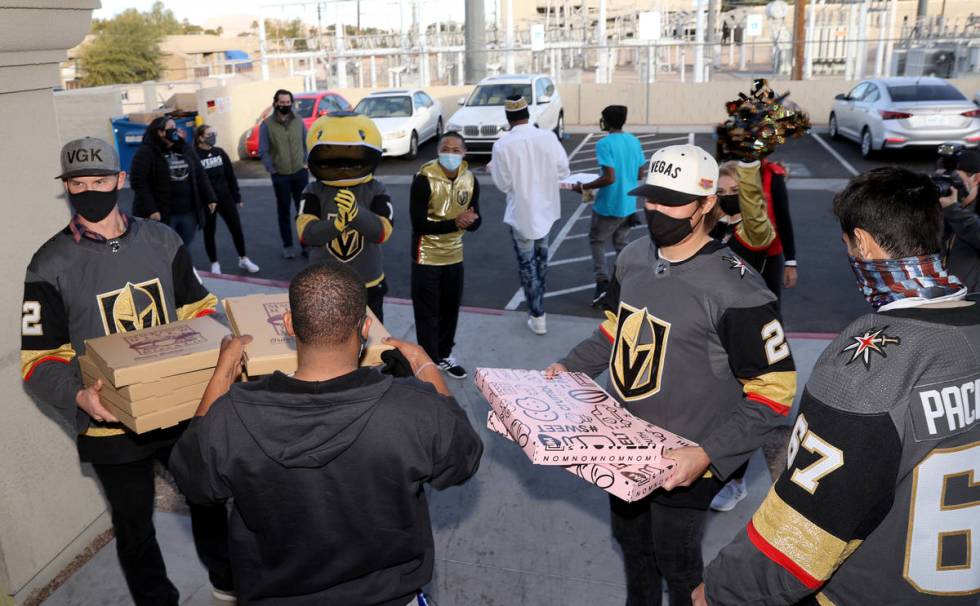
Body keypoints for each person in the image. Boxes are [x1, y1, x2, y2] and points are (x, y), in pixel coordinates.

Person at [695, 166, 978, 606]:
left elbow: (802, 534)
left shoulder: (868, 362)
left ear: (862, 241)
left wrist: (721, 589)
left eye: (847, 243)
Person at [545, 144, 797, 606]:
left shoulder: (736, 289)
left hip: (687, 462)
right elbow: (618, 328)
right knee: (633, 549)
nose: (656, 209)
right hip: (624, 446)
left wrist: (707, 453)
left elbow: (775, 392)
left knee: (678, 567)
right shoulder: (635, 256)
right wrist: (569, 366)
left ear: (705, 205)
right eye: (650, 197)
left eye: (671, 200)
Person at [169, 261, 483, 605]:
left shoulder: (232, 416)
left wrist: (223, 372)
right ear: (364, 328)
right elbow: (464, 456)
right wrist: (425, 366)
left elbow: (192, 479)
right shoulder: (414, 410)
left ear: (289, 325)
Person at [21, 137, 233, 605]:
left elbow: (200, 310)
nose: (89, 190)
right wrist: (81, 397)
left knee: (210, 497)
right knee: (134, 525)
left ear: (120, 181)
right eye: (78, 183)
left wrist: (211, 358)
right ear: (67, 188)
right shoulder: (48, 264)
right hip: (109, 422)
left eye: (99, 180)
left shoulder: (163, 240)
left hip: (181, 406)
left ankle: (228, 582)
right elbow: (39, 360)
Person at [708, 158, 777, 513]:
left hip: (744, 334)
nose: (728, 197)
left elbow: (755, 214)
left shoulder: (754, 233)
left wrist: (749, 170)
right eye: (722, 192)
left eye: (736, 191)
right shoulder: (716, 228)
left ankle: (735, 483)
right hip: (714, 331)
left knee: (739, 414)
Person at [297, 112, 394, 322]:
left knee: (371, 342)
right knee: (329, 343)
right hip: (326, 285)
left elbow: (382, 232)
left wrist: (356, 213)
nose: (342, 167)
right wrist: (337, 225)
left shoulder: (375, 188)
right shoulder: (314, 190)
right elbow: (306, 234)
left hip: (368, 283)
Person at [490, 95, 570, 335]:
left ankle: (537, 314)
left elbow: (504, 185)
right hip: (546, 210)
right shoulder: (548, 137)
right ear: (528, 114)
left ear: (508, 118)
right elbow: (563, 170)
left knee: (527, 265)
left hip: (521, 213)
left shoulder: (502, 145)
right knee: (541, 261)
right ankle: (539, 310)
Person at [409, 131, 481, 379]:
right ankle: (428, 360)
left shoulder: (470, 179)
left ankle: (445, 354)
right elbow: (418, 224)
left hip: (454, 255)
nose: (449, 153)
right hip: (426, 255)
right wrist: (456, 223)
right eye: (445, 148)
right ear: (438, 151)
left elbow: (475, 219)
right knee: (427, 312)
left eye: (455, 150)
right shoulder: (424, 178)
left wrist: (470, 221)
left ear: (464, 153)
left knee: (450, 309)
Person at [571, 105, 646, 306]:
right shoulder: (634, 140)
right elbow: (639, 174)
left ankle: (602, 284)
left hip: (609, 204)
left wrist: (584, 186)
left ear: (607, 121)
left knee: (597, 240)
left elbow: (609, 177)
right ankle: (622, 285)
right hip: (629, 204)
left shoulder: (604, 144)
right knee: (620, 243)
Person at [130, 116, 216, 246]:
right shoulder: (146, 152)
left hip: (188, 212)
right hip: (163, 213)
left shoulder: (185, 148)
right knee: (164, 249)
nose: (175, 131)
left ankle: (182, 266)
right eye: (171, 128)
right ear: (160, 132)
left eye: (175, 127)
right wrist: (151, 209)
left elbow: (199, 173)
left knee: (183, 247)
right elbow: (138, 182)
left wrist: (210, 197)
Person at [194, 124, 260, 275]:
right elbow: (195, 182)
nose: (213, 137)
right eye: (209, 134)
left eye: (214, 133)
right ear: (200, 138)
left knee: (236, 228)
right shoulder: (195, 156)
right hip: (207, 202)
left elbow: (230, 176)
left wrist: (237, 197)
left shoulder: (220, 152)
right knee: (209, 232)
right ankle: (214, 263)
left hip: (225, 198)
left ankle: (243, 258)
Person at [259, 89, 309, 259]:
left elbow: (306, 143)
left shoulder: (299, 121)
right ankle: (288, 246)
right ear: (275, 103)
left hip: (300, 173)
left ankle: (305, 245)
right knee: (284, 212)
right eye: (282, 102)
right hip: (280, 176)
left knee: (303, 212)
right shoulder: (266, 125)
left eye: (288, 103)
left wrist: (306, 163)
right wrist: (272, 169)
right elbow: (263, 151)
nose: (285, 105)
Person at [759, 156, 798, 301]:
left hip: (769, 255)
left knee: (771, 305)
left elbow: (784, 219)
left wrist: (790, 262)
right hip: (736, 255)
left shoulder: (773, 175)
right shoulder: (728, 173)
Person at [941, 148, 980, 290]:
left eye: (956, 181)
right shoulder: (939, 203)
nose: (951, 187)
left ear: (976, 179)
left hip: (971, 302)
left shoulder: (952, 209)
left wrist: (953, 210)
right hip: (935, 297)